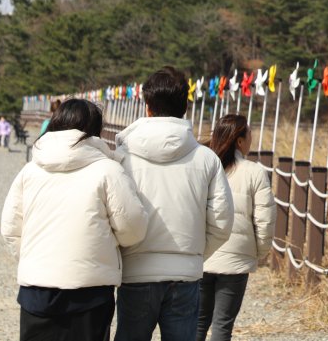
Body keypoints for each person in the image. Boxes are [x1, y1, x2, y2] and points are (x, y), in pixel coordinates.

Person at [0, 99, 148, 341]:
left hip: (36, 289)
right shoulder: (108, 170)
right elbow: (133, 228)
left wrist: (33, 257)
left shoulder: (30, 170)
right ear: (95, 131)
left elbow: (10, 229)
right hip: (90, 290)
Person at [114, 66, 234, 341]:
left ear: (147, 106)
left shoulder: (122, 157)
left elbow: (113, 215)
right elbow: (222, 222)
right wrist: (194, 254)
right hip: (185, 275)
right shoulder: (206, 159)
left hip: (135, 272)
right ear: (185, 106)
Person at [197, 114, 276, 341]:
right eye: (249, 135)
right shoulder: (254, 171)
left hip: (202, 253)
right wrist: (258, 252)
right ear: (240, 141)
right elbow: (265, 219)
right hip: (237, 259)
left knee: (198, 322)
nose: (252, 140)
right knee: (223, 325)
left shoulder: (203, 166)